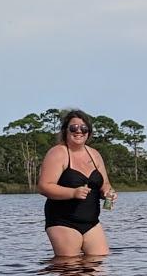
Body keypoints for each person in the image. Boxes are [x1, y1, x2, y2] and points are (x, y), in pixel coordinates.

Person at [37, 109, 116, 259]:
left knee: (100, 266)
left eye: (83, 128)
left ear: (89, 132)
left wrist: (107, 192)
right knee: (70, 271)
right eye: (73, 127)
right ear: (65, 130)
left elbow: (105, 183)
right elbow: (44, 186)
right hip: (63, 221)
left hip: (91, 221)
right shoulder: (58, 153)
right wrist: (72, 193)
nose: (79, 131)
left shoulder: (95, 154)